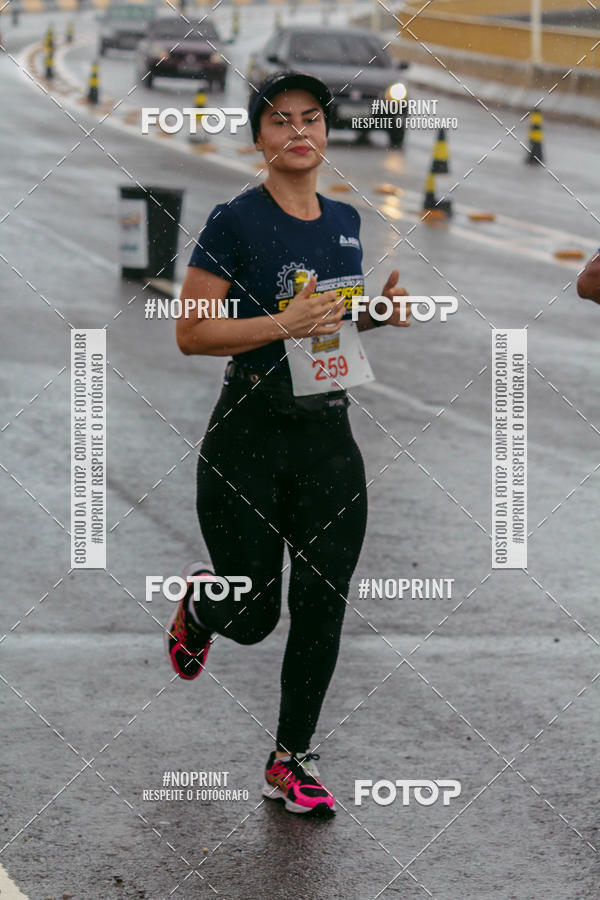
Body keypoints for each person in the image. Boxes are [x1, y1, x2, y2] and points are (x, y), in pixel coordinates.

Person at [167, 71, 411, 816]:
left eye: (310, 119)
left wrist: (373, 316)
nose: (297, 132)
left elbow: (323, 328)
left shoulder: (344, 219)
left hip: (329, 439)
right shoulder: (233, 219)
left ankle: (291, 758)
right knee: (254, 615)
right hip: (248, 435)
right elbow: (191, 332)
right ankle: (203, 607)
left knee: (323, 602)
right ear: (259, 139)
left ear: (326, 134)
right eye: (280, 122)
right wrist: (283, 322)